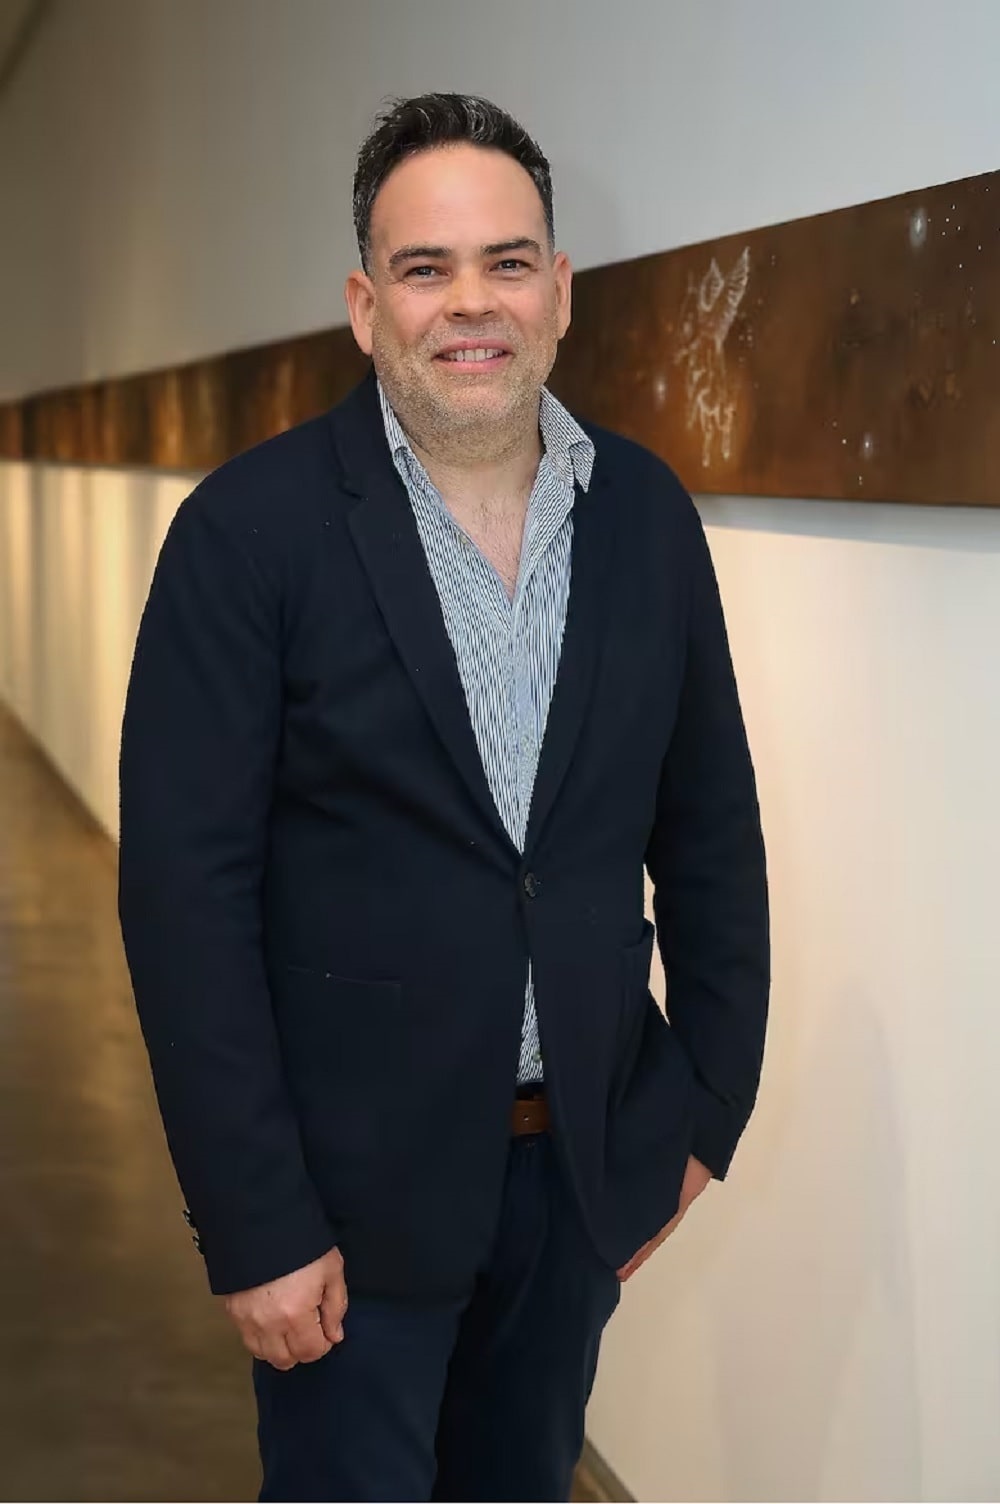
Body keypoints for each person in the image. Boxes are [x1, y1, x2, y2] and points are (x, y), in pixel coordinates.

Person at [118, 92, 769, 1503]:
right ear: (367, 308)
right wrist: (255, 1223)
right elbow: (184, 904)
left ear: (560, 292)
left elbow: (711, 829)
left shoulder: (647, 516)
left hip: (574, 1179)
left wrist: (704, 1111)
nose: (471, 302)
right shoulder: (247, 535)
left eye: (507, 262)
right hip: (344, 1212)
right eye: (426, 268)